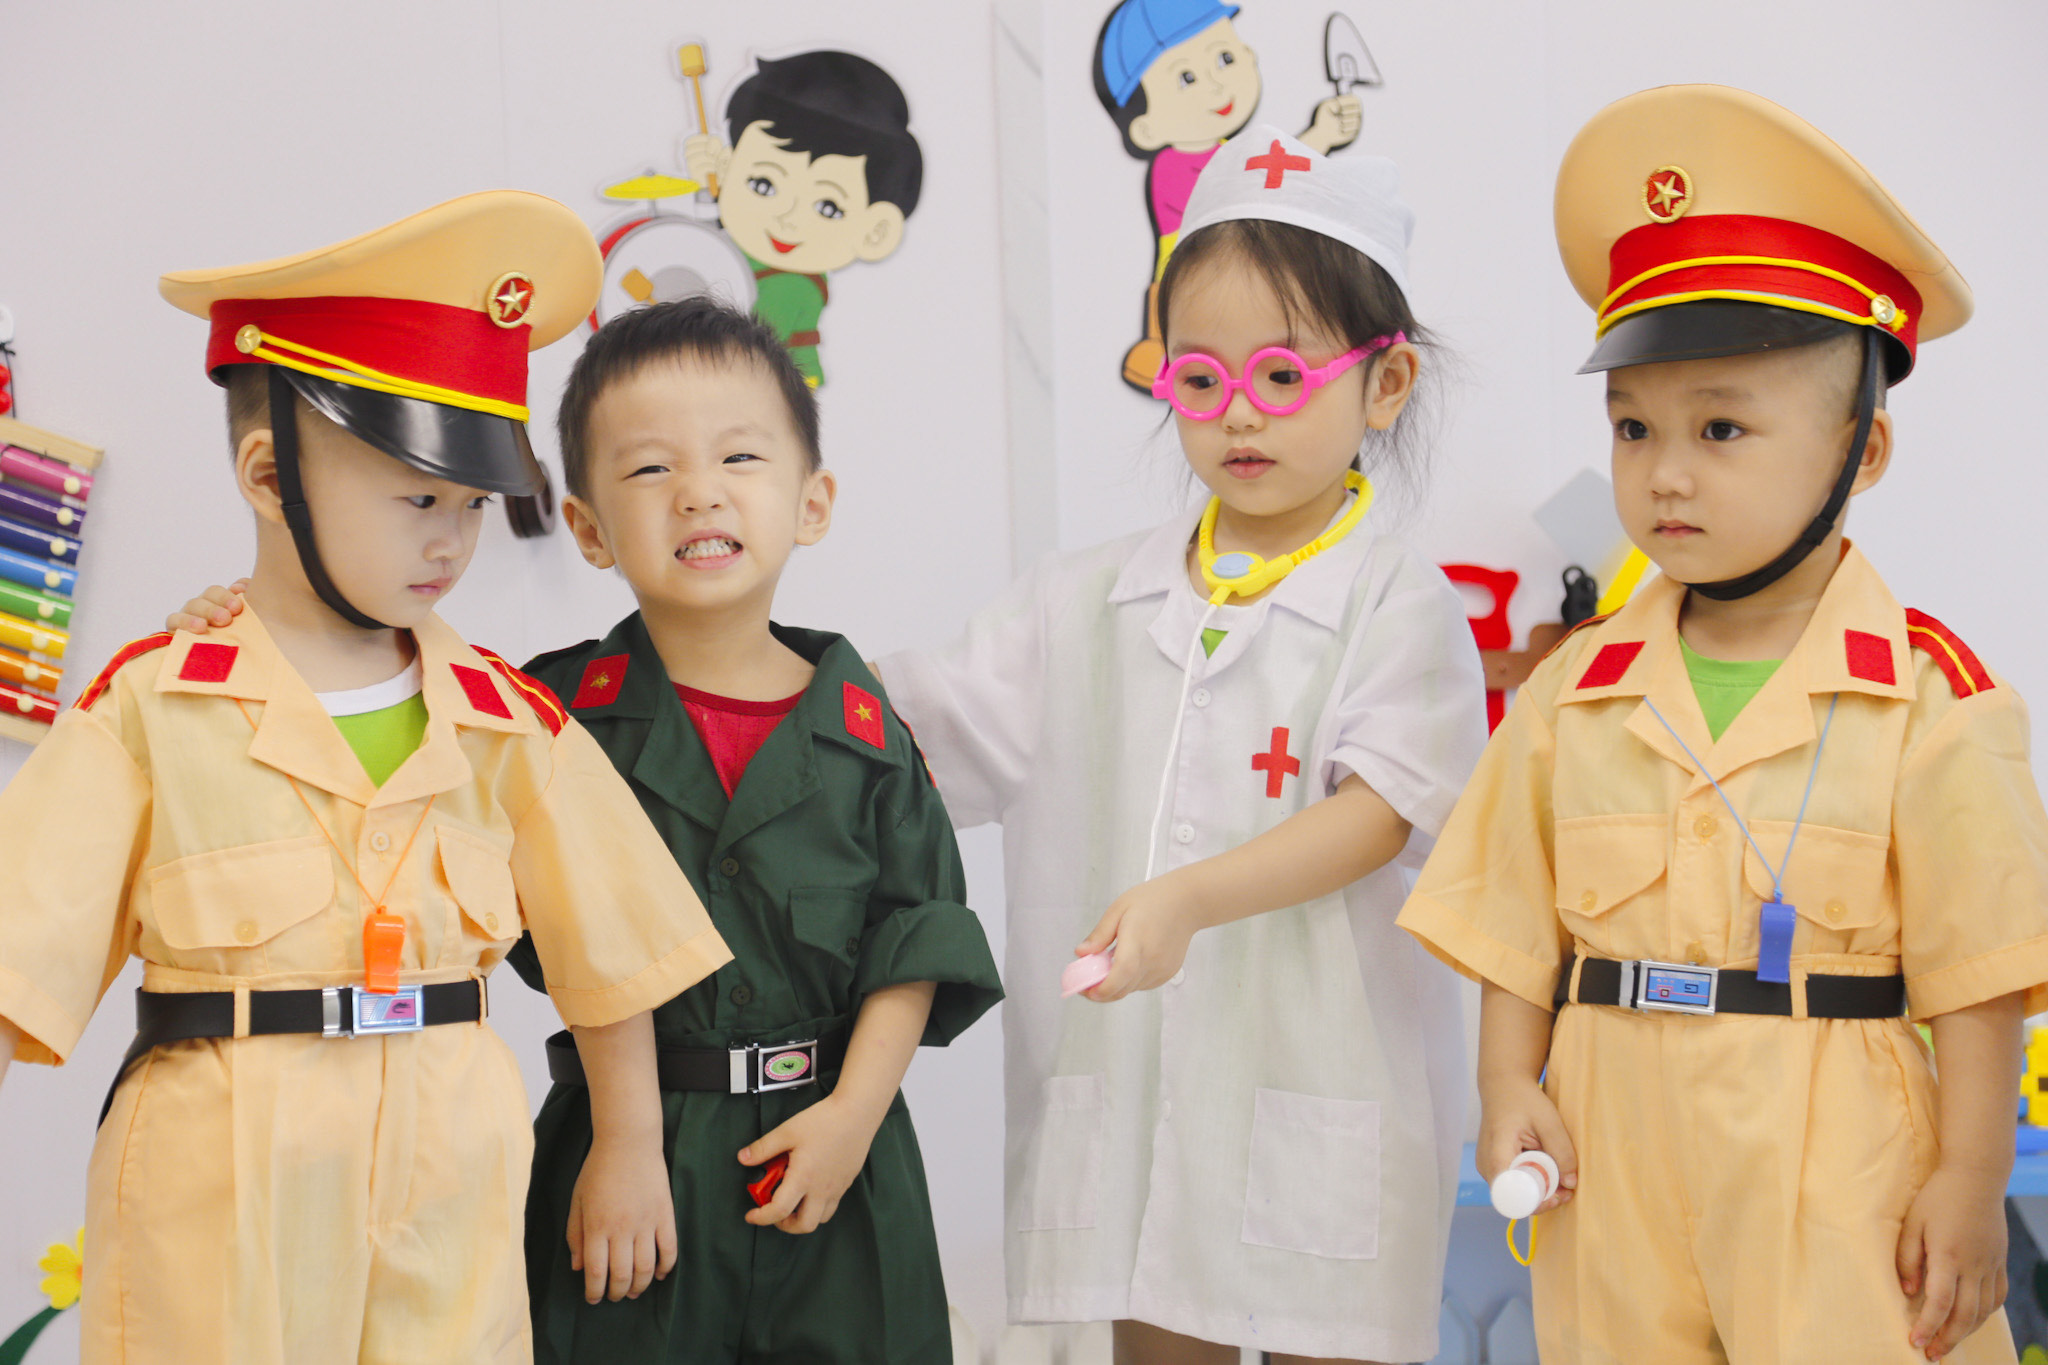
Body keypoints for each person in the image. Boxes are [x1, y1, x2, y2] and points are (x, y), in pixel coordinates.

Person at [171, 297, 1003, 1364]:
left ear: (812, 501)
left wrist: (853, 1116)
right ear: (590, 529)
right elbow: (367, 726)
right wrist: (252, 631)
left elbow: (916, 933)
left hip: (838, 1163)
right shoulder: (536, 714)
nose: (699, 490)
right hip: (623, 1165)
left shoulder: (867, 728)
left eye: (740, 456)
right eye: (650, 468)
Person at [0, 191, 732, 1365]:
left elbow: (614, 958)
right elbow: (17, 958)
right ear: (268, 475)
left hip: (451, 1172)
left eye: (472, 504)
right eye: (417, 496)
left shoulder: (510, 726)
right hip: (222, 1188)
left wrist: (629, 1144)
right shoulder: (154, 709)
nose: (451, 539)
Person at [1398, 84, 2048, 1365]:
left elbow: (1979, 976)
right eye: (1632, 429)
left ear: (1861, 453)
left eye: (1720, 428)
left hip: (1838, 1155)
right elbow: (1513, 929)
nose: (1664, 473)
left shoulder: (1931, 697)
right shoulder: (1571, 692)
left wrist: (1970, 1179)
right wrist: (1505, 1082)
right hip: (1610, 1154)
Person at [875, 125, 1485, 1364]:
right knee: (1150, 1305)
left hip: (1325, 1089)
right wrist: (760, 674)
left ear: (1385, 384)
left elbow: (1380, 812)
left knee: (1323, 1321)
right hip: (1133, 1093)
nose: (1236, 415)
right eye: (1198, 380)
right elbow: (916, 727)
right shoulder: (1080, 602)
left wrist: (1186, 900)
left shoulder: (1396, 605)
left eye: (1281, 375)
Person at [1091, 0, 1361, 389]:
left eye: (1225, 59)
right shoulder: (1175, 168)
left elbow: (1263, 173)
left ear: (1248, 55)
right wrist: (1319, 137)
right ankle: (1160, 347)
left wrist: (1322, 135)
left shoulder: (1225, 154)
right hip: (1189, 291)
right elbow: (1256, 184)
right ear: (1145, 129)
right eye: (1186, 78)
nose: (1217, 86)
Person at [682, 50, 923, 388]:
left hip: (787, 391)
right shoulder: (742, 247)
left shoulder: (791, 285)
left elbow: (743, 351)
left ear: (875, 231)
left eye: (828, 207)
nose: (787, 217)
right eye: (763, 184)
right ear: (726, 168)